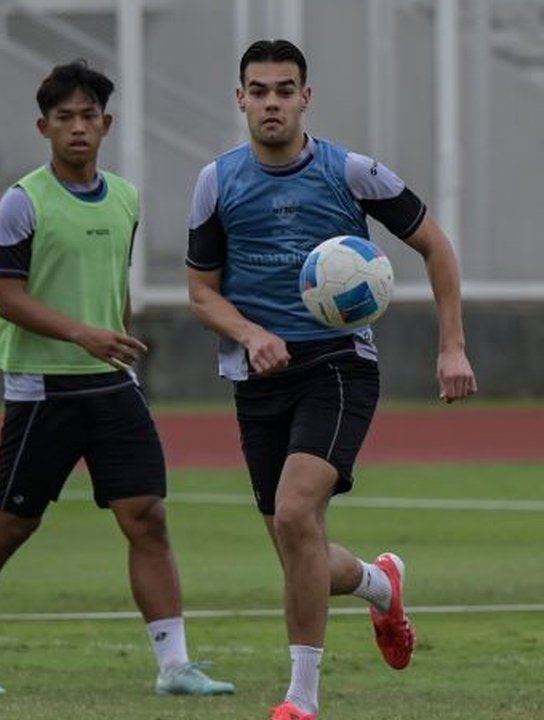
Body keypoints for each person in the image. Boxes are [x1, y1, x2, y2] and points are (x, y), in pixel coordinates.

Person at [185, 39, 478, 720]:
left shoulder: (351, 172)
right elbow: (201, 293)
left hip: (339, 366)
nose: (271, 103)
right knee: (299, 546)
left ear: (304, 99)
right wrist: (251, 334)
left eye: (284, 90)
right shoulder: (216, 182)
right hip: (258, 375)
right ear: (241, 99)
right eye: (258, 91)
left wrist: (452, 347)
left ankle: (301, 700)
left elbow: (435, 244)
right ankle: (380, 584)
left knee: (294, 512)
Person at [0, 59, 233, 699]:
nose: (77, 128)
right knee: (13, 525)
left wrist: (114, 340)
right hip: (42, 387)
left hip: (112, 386)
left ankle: (175, 666)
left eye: (88, 116)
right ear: (44, 127)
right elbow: (7, 297)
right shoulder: (23, 200)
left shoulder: (124, 197)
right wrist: (83, 334)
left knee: (147, 516)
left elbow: (112, 284)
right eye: (64, 117)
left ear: (107, 124)